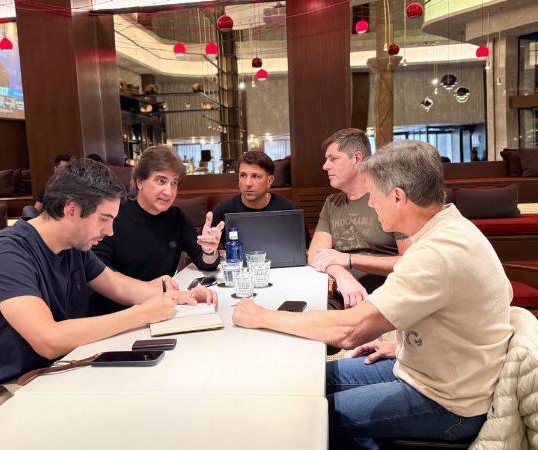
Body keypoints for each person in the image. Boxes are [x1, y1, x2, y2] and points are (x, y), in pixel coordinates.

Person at [233, 140, 512, 449]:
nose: (371, 203)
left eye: (373, 195)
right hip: (424, 368)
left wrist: (261, 316)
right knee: (303, 380)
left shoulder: (436, 252)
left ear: (398, 197)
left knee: (305, 411)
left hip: (449, 402)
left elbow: (349, 330)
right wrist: (401, 344)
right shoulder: (449, 227)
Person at [0, 158, 217, 425]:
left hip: (57, 371)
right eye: (104, 219)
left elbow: (118, 285)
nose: (110, 231)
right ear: (72, 209)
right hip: (4, 393)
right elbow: (48, 339)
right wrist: (142, 313)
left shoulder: (74, 247)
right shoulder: (7, 253)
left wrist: (176, 296)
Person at [89, 146, 224, 316]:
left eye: (174, 183)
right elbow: (98, 271)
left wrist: (209, 251)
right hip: (117, 313)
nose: (169, 192)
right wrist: (149, 289)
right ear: (139, 182)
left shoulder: (175, 217)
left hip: (162, 308)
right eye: (161, 181)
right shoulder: (114, 216)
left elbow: (205, 262)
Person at [309, 128, 409, 308]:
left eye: (333, 158)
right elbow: (315, 255)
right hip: (340, 296)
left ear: (357, 158)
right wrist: (342, 275)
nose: (325, 166)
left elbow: (411, 262)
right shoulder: (332, 203)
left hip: (384, 299)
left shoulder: (390, 198)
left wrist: (349, 260)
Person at [211, 150, 310, 246]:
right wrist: (210, 248)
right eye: (243, 175)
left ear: (269, 181)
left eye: (256, 176)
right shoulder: (222, 211)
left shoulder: (288, 209)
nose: (247, 183)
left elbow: (305, 248)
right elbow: (206, 249)